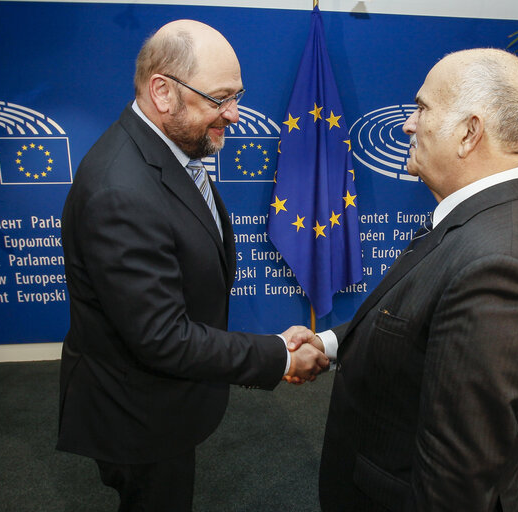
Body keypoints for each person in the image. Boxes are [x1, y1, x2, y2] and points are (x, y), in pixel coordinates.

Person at [57, 20, 329, 512]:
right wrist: (279, 356)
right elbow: (163, 338)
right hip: (137, 416)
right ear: (162, 91)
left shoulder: (166, 149)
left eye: (238, 96)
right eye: (220, 98)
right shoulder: (121, 191)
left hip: (165, 399)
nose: (235, 114)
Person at [290, 48, 518, 511]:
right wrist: (332, 343)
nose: (407, 124)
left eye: (422, 108)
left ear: (469, 132)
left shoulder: (498, 268)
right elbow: (419, 323)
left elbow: (454, 486)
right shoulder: (487, 217)